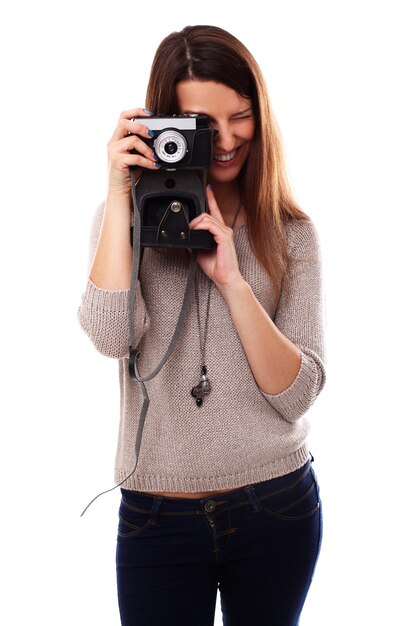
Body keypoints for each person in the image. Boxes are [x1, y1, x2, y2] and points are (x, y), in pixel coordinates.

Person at [77, 24, 326, 626]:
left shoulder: (291, 234)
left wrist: (233, 282)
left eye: (240, 117)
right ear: (166, 126)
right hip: (157, 515)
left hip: (276, 505)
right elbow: (113, 336)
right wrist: (119, 194)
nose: (225, 141)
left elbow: (297, 392)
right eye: (203, 126)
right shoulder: (121, 225)